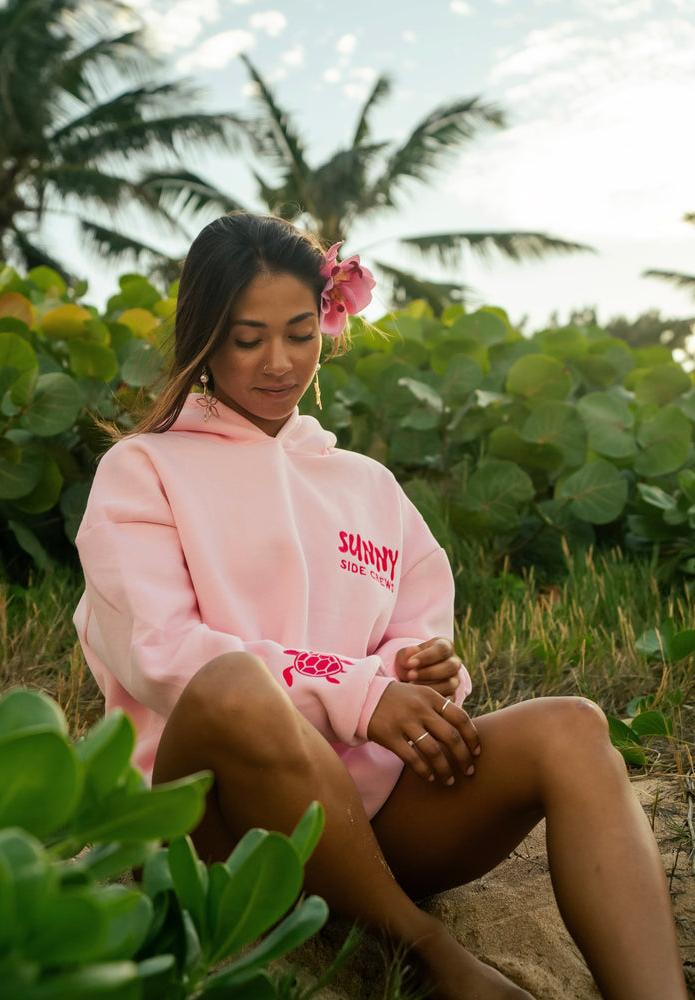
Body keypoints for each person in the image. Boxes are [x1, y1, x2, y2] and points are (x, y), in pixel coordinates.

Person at [74, 212, 686, 1000]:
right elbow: (167, 657)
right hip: (216, 825)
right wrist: (363, 694)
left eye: (300, 332)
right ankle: (433, 955)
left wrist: (421, 676)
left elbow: (416, 632)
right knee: (232, 687)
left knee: (574, 726)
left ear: (328, 322)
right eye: (246, 337)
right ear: (204, 336)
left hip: (373, 822)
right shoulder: (143, 469)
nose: (278, 362)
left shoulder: (365, 484)